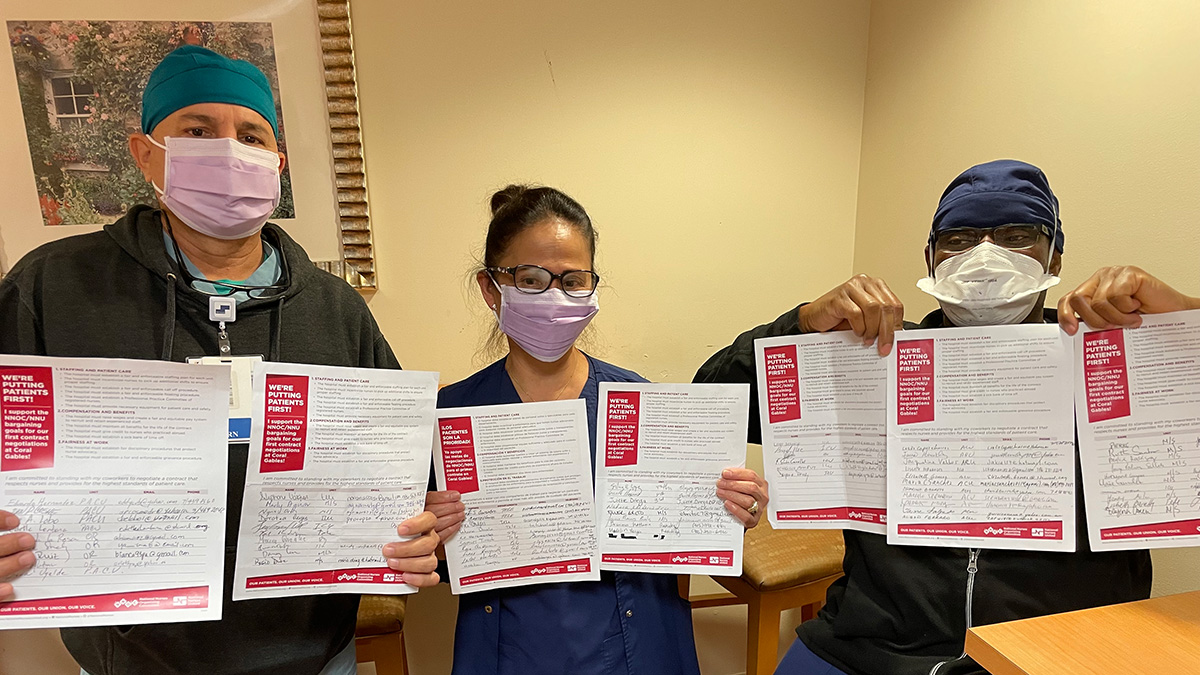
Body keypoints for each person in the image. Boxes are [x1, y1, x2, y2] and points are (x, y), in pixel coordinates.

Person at [0, 45, 439, 675]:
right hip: (133, 662)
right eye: (198, 130)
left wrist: (423, 524)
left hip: (317, 658)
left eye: (252, 134)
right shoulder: (53, 287)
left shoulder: (333, 308)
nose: (229, 149)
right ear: (145, 152)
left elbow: (406, 473)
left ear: (277, 163)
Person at [694, 160, 1153, 675]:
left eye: (1017, 235)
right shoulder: (872, 356)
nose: (985, 256)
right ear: (931, 258)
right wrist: (802, 324)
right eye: (958, 239)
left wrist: (1180, 320)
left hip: (1053, 651)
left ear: (1055, 255)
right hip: (872, 644)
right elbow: (709, 405)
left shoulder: (1113, 360)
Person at [422, 184, 770, 675]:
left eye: (573, 280)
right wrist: (432, 539)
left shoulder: (639, 404)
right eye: (531, 278)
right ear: (490, 287)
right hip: (511, 655)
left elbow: (686, 537)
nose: (555, 296)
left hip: (637, 650)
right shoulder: (451, 415)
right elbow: (431, 556)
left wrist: (730, 505)